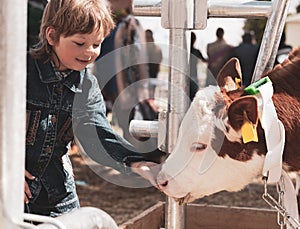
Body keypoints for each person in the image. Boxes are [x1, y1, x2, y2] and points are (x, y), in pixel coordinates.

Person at [25, 0, 162, 218]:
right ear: (52, 36)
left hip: (57, 196)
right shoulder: (20, 72)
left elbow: (97, 135)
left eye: (96, 44)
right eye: (80, 43)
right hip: (11, 189)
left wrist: (137, 162)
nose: (89, 52)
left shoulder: (87, 85)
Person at [189, 32, 207, 100]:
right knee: (193, 98)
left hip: (184, 76)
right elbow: (205, 60)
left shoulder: (184, 51)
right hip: (194, 76)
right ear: (195, 40)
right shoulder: (196, 51)